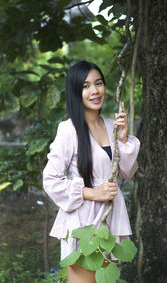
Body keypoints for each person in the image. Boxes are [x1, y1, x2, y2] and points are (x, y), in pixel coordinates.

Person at [43, 60, 140, 283]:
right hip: (82, 221)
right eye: (86, 86)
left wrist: (123, 138)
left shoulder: (110, 126)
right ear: (76, 92)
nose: (95, 91)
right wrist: (91, 193)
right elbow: (50, 179)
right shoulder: (68, 130)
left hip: (110, 216)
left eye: (99, 83)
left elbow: (126, 171)